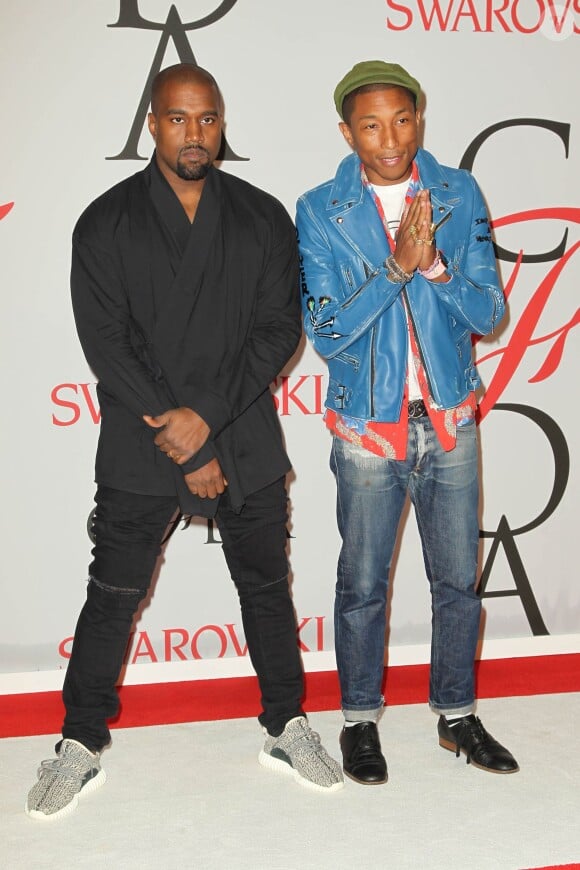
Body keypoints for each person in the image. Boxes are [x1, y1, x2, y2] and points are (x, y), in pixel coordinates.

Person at [26, 63, 343, 821]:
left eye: (207, 120)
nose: (194, 134)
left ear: (221, 122)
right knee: (113, 595)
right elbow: (107, 345)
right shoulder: (105, 222)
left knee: (267, 588)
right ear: (152, 124)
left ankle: (285, 722)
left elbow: (277, 331)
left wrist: (207, 417)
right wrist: (187, 438)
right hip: (145, 438)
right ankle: (79, 739)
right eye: (178, 119)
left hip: (242, 430)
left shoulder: (263, 217)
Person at [295, 60, 518, 785]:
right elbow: (328, 335)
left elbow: (490, 313)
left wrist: (438, 270)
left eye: (401, 119)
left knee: (457, 582)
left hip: (450, 424)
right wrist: (396, 267)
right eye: (370, 124)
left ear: (420, 116)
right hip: (368, 430)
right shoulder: (320, 209)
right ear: (346, 131)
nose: (388, 138)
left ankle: (457, 715)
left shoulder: (457, 192)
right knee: (362, 585)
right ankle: (360, 720)